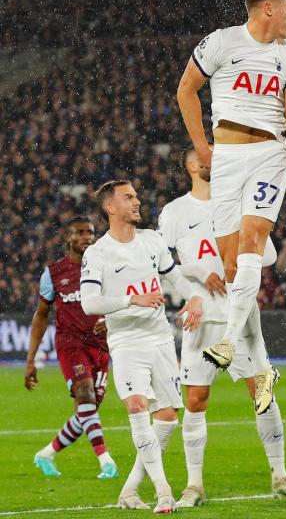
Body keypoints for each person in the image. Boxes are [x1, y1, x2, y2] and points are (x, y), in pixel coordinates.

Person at [177, 0, 286, 414]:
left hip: (270, 154)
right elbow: (186, 89)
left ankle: (231, 341)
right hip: (227, 159)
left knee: (253, 240)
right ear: (267, 8)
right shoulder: (222, 42)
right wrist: (200, 146)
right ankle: (265, 366)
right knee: (233, 268)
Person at [158, 150, 286, 506]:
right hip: (200, 321)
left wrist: (243, 252)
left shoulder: (240, 205)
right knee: (196, 400)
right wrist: (197, 272)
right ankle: (194, 485)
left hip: (237, 319)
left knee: (262, 394)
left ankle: (280, 475)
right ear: (191, 165)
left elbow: (267, 257)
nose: (211, 158)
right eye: (203, 155)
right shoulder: (175, 212)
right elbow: (162, 267)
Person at [80, 180, 203, 513]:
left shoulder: (152, 240)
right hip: (126, 342)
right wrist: (132, 299)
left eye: (136, 195)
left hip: (160, 339)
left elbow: (173, 275)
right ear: (111, 208)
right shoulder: (97, 253)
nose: (137, 201)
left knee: (166, 416)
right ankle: (164, 492)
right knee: (136, 405)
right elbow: (89, 304)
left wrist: (192, 295)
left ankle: (130, 490)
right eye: (128, 197)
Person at [25, 216, 117, 479]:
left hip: (100, 346)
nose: (87, 237)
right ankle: (105, 460)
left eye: (90, 232)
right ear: (68, 239)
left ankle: (46, 453)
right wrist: (30, 359)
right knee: (86, 396)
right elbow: (41, 315)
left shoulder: (105, 269)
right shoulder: (53, 273)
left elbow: (120, 301)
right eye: (80, 233)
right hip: (70, 345)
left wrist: (109, 321)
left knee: (87, 409)